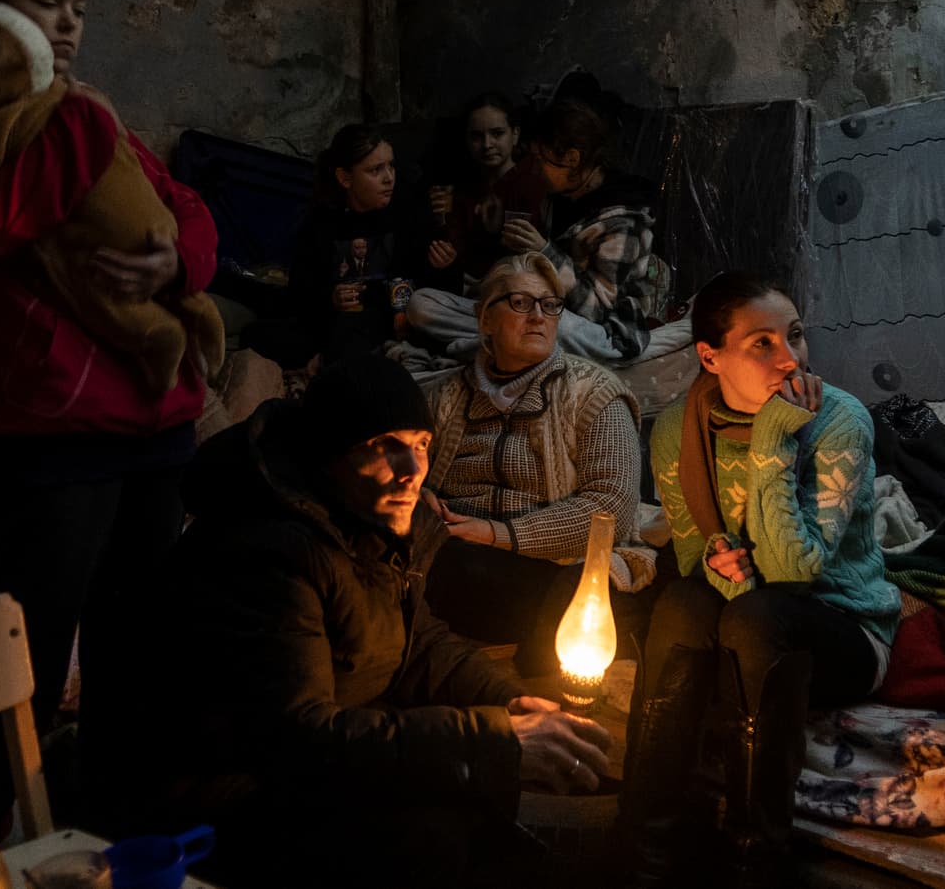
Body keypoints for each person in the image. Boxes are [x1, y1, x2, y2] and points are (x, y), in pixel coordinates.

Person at [0, 0, 218, 827]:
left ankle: (114, 827)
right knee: (22, 650)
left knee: (136, 642)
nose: (70, 24)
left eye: (80, 9)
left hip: (160, 420)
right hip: (57, 428)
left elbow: (189, 211)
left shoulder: (87, 110)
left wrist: (174, 267)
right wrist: (74, 122)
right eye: (48, 3)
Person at [138, 356, 612, 888]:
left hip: (308, 760)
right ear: (329, 456)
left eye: (421, 445)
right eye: (384, 445)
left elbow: (418, 643)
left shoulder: (369, 523)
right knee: (438, 832)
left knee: (480, 808)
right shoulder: (269, 551)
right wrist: (493, 739)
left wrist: (507, 700)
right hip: (216, 797)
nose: (411, 470)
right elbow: (299, 738)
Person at [620, 271, 898, 887]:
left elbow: (795, 571)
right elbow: (695, 556)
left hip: (842, 627)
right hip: (741, 619)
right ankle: (643, 856)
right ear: (710, 356)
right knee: (681, 605)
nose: (789, 358)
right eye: (762, 343)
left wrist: (774, 433)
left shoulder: (838, 419)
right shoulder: (676, 430)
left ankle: (756, 861)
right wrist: (723, 559)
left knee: (756, 616)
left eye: (794, 336)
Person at [420, 253, 655, 676]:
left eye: (549, 306)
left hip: (559, 566)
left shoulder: (594, 394)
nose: (538, 317)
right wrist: (423, 502)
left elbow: (612, 512)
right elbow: (409, 477)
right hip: (460, 558)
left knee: (570, 597)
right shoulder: (447, 397)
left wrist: (498, 533)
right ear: (484, 319)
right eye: (520, 303)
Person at [409, 97, 668, 364]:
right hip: (535, 311)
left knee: (561, 327)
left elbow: (598, 309)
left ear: (572, 159)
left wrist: (545, 251)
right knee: (422, 305)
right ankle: (501, 346)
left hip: (597, 329)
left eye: (542, 160)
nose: (537, 169)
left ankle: (491, 348)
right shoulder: (559, 197)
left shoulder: (623, 219)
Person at [279, 123, 428, 365]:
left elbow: (418, 279)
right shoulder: (322, 221)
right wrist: (331, 297)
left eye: (391, 166)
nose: (389, 178)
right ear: (345, 178)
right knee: (262, 335)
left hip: (389, 320)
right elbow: (300, 291)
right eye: (375, 170)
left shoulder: (404, 212)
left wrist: (445, 264)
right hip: (335, 322)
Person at [423, 92, 550, 293]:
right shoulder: (461, 188)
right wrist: (440, 219)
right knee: (421, 302)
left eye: (497, 133)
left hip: (520, 289)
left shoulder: (533, 181)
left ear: (515, 134)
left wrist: (497, 230)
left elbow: (535, 258)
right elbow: (454, 255)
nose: (487, 144)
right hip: (471, 289)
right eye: (476, 136)